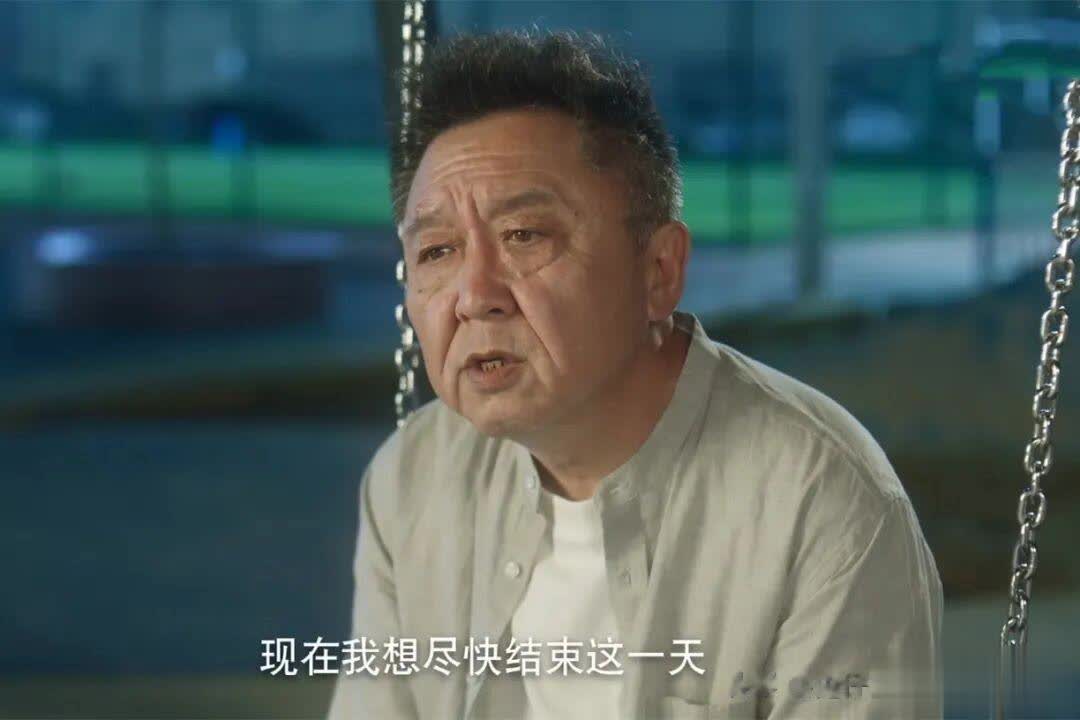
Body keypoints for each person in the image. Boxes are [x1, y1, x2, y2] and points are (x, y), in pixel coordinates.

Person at [327, 28, 942, 720]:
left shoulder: (820, 505)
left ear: (659, 271)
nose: (474, 295)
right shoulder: (412, 479)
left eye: (524, 235)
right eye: (437, 251)